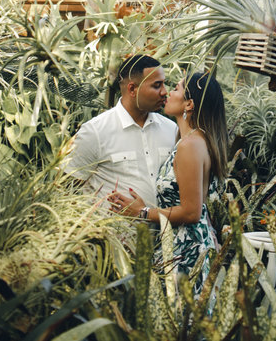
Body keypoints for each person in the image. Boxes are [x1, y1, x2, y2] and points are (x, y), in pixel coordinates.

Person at [108, 70, 229, 292]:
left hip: (186, 252)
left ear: (189, 104)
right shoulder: (192, 140)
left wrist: (142, 212)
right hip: (183, 247)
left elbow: (191, 212)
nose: (168, 93)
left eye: (176, 88)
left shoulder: (190, 145)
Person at [64, 54, 177, 212]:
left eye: (164, 84)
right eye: (157, 86)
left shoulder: (171, 129)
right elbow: (66, 189)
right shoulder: (95, 132)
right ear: (132, 89)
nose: (165, 92)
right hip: (112, 226)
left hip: (165, 227)